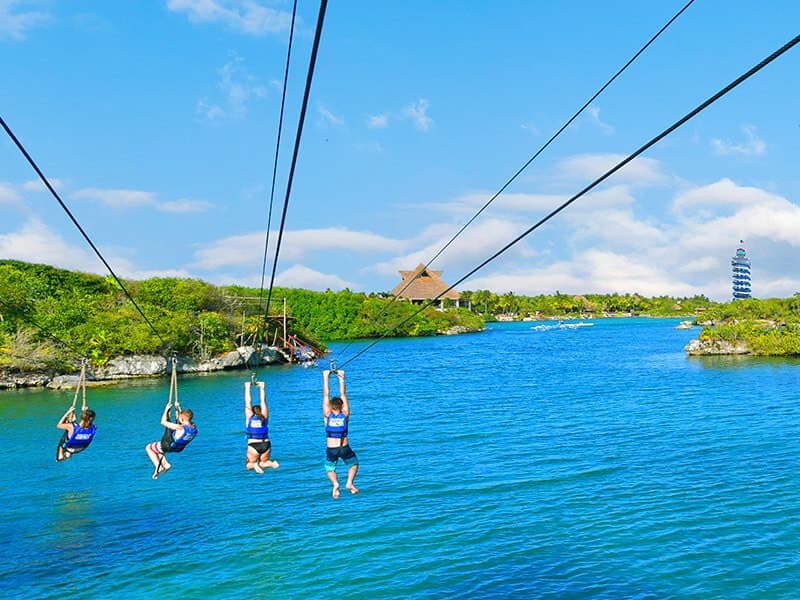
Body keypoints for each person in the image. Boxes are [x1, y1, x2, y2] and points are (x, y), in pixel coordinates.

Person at [322, 369, 359, 498]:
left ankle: (335, 484)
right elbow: (343, 394)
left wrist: (326, 377)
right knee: (353, 464)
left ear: (331, 407)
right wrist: (341, 377)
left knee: (330, 468)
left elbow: (326, 395)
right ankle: (349, 483)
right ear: (342, 406)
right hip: (344, 447)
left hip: (331, 448)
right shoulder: (345, 415)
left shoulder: (327, 415)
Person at [145, 400, 197, 480]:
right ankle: (165, 464)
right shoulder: (193, 428)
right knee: (158, 449)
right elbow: (184, 418)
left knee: (149, 447)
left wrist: (166, 409)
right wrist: (178, 408)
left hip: (168, 445)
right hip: (178, 448)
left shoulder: (180, 427)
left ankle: (159, 468)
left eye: (180, 418)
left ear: (182, 419)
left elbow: (163, 422)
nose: (178, 419)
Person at [244, 380, 279, 473]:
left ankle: (255, 465)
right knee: (264, 462)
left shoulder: (250, 418)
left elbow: (248, 402)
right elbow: (263, 401)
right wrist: (262, 387)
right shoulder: (264, 417)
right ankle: (272, 464)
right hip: (266, 444)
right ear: (260, 410)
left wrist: (247, 387)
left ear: (252, 411)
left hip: (253, 444)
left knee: (248, 465)